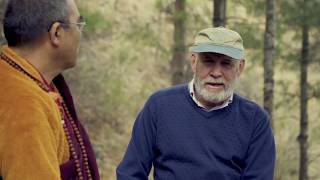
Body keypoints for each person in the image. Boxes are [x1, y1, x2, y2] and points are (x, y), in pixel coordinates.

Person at [116, 27, 276, 180]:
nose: (216, 73)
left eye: (226, 63)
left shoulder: (255, 120)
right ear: (194, 62)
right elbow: (130, 173)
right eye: (208, 61)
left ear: (240, 67)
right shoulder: (159, 107)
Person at [0, 0, 100, 179]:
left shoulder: (23, 77)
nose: (80, 33)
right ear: (57, 33)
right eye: (79, 24)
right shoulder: (24, 105)